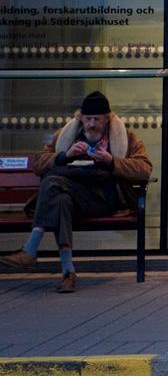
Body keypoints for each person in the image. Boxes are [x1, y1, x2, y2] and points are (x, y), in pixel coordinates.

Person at [0, 91, 152, 293]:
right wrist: (65, 155)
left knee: (52, 182)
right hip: (72, 197)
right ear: (81, 118)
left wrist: (111, 161)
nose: (91, 124)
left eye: (96, 119)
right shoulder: (67, 135)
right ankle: (68, 273)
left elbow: (144, 169)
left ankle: (30, 249)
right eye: (87, 119)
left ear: (107, 118)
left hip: (104, 199)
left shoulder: (126, 137)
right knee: (60, 200)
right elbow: (38, 163)